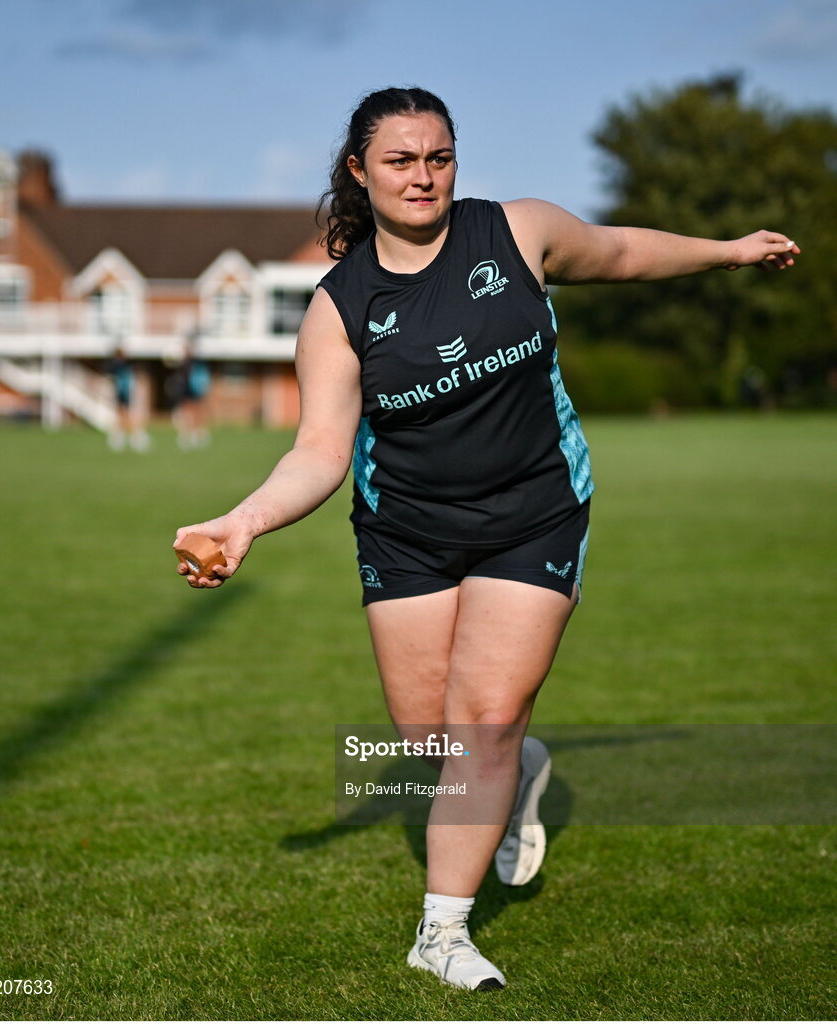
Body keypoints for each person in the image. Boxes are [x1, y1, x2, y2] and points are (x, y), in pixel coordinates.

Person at [174, 87, 799, 991]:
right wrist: (243, 521)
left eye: (439, 156)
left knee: (486, 722)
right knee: (431, 742)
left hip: (536, 510)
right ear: (359, 172)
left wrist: (730, 252)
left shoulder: (518, 232)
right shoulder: (340, 309)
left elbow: (622, 252)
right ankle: (521, 770)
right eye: (400, 160)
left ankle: (442, 933)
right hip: (410, 536)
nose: (423, 176)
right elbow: (319, 453)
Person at [106, 345, 150, 451]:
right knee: (121, 412)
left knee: (129, 413)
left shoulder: (128, 365)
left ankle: (133, 435)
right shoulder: (115, 366)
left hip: (127, 392)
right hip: (121, 392)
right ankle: (120, 435)